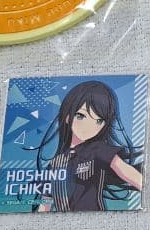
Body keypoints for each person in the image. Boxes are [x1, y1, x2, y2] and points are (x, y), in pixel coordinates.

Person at [30, 81, 143, 212]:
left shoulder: (98, 150)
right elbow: (45, 203)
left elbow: (129, 173)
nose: (89, 127)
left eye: (99, 121)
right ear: (67, 117)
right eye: (81, 116)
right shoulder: (55, 164)